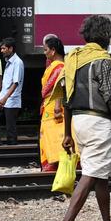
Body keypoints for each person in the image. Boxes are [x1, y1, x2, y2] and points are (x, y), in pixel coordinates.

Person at [53, 15, 111, 221]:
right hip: (98, 122)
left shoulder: (74, 58)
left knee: (100, 177)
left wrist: (67, 133)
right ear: (105, 36)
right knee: (91, 174)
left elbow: (67, 99)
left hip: (78, 122)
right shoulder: (102, 60)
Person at [39, 35, 68, 172]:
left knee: (54, 135)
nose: (44, 53)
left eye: (45, 50)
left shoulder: (60, 67)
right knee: (52, 135)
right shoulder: (56, 65)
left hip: (54, 107)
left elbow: (60, 88)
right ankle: (53, 163)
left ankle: (53, 163)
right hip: (49, 106)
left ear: (53, 51)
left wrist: (57, 107)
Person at [0, 37, 24, 145]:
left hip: (12, 100)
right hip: (5, 99)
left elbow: (15, 83)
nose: (1, 51)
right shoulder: (9, 62)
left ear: (10, 49)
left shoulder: (17, 62)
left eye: (3, 48)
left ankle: (12, 148)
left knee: (10, 127)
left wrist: (4, 99)